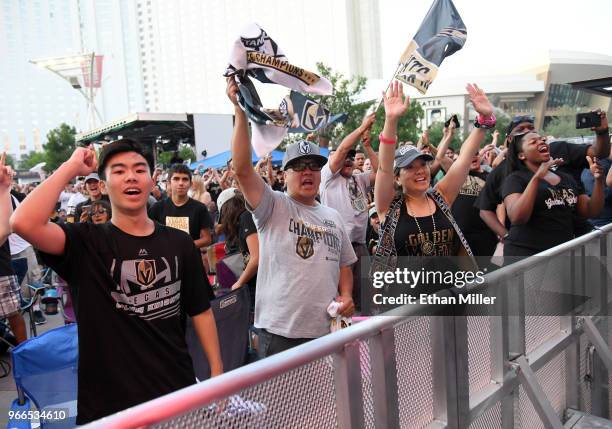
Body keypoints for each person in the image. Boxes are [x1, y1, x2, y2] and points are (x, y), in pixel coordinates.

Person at [11, 139, 223, 424]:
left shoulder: (180, 243)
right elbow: (23, 222)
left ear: (151, 180)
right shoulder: (86, 242)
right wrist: (71, 166)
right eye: (119, 171)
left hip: (175, 392)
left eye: (139, 169)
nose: (131, 176)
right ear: (103, 183)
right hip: (109, 403)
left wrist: (217, 372)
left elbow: (201, 310)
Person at [226, 76, 356, 357]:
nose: (308, 172)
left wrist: (346, 295)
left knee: (326, 401)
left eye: (313, 166)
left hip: (326, 331)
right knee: (286, 402)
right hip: (279, 335)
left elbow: (345, 264)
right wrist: (239, 110)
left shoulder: (333, 216)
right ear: (285, 176)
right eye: (299, 167)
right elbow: (242, 169)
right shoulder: (273, 206)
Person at [373, 82, 493, 276]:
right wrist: (391, 121)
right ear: (397, 178)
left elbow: (464, 158)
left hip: (450, 296)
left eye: (423, 164)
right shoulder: (389, 207)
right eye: (410, 168)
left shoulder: (441, 196)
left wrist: (484, 121)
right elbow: (384, 168)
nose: (420, 171)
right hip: (407, 301)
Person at [477, 112, 610, 250]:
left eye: (532, 129)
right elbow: (489, 210)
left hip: (567, 245)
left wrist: (599, 180)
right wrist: (506, 235)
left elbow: (590, 210)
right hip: (529, 253)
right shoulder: (510, 176)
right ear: (513, 142)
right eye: (521, 130)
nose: (528, 131)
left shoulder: (564, 174)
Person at [501, 129, 604, 257]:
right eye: (533, 142)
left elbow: (590, 211)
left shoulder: (567, 178)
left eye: (543, 140)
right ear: (522, 155)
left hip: (559, 254)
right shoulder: (515, 179)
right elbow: (518, 217)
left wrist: (599, 181)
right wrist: (537, 177)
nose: (541, 142)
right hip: (527, 256)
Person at [319, 113, 377, 310]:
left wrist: (368, 147)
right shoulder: (327, 177)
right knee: (341, 304)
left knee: (366, 301)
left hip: (359, 246)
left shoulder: (359, 179)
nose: (348, 160)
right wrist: (361, 128)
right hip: (336, 247)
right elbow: (343, 148)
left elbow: (381, 173)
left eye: (351, 158)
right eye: (344, 157)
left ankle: (363, 339)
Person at [148, 164, 213, 251]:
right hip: (166, 260)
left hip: (191, 261)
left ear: (190, 184)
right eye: (176, 179)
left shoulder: (200, 208)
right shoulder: (157, 208)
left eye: (185, 179)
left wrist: (183, 246)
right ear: (169, 183)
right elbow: (147, 234)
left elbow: (207, 239)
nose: (181, 183)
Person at [0, 153, 26, 344]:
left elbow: (5, 229)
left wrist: (4, 187)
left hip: (2, 270)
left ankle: (24, 353)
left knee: (13, 314)